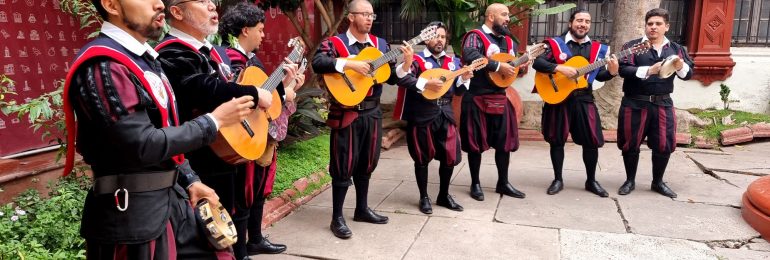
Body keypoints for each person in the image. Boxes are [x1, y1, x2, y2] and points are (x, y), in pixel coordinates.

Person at [62, 0, 256, 257]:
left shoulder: (143, 60)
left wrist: (190, 180)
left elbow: (163, 127)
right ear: (111, 4)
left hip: (170, 201)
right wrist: (214, 121)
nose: (159, 4)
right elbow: (141, 144)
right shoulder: (104, 66)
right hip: (133, 215)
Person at [155, 0, 297, 223]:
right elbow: (201, 87)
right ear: (176, 12)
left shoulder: (213, 53)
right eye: (202, 2)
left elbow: (231, 85)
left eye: (211, 1)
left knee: (227, 222)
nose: (212, 6)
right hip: (196, 160)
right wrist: (253, 93)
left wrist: (280, 85)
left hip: (222, 151)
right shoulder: (171, 51)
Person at [311, 0, 413, 239]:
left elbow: (390, 78)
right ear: (350, 17)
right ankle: (337, 217)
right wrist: (350, 64)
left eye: (371, 15)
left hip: (372, 111)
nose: (369, 18)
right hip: (346, 112)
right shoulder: (335, 43)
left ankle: (362, 209)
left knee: (368, 161)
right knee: (343, 164)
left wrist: (405, 66)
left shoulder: (380, 45)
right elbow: (318, 63)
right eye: (364, 14)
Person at [217, 2, 305, 258]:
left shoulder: (252, 60)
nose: (264, 35)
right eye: (260, 29)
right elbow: (236, 98)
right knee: (242, 197)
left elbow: (266, 95)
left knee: (257, 191)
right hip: (239, 137)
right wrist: (284, 92)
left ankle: (255, 239)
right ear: (245, 30)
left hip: (258, 134)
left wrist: (287, 84)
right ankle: (240, 251)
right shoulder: (227, 59)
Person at [532, 9, 618, 197]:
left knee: (592, 142)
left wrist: (612, 72)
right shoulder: (555, 44)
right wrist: (559, 68)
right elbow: (537, 63)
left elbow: (599, 75)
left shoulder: (598, 50)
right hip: (558, 99)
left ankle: (591, 181)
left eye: (587, 21)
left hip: (583, 99)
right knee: (557, 141)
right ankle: (558, 179)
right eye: (579, 20)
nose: (583, 24)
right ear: (571, 23)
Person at [393, 21, 470, 214]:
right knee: (421, 158)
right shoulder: (417, 60)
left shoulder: (453, 62)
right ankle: (424, 197)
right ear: (427, 38)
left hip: (446, 113)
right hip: (422, 114)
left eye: (443, 37)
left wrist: (465, 78)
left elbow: (458, 90)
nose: (440, 40)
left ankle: (443, 195)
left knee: (450, 156)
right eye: (436, 36)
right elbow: (401, 78)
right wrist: (425, 83)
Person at [616, 8, 694, 198]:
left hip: (663, 103)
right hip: (634, 102)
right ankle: (629, 180)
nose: (653, 27)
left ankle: (657, 182)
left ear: (666, 27)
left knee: (663, 144)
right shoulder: (632, 46)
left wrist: (680, 65)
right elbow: (623, 69)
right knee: (630, 143)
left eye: (658, 24)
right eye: (650, 24)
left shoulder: (677, 49)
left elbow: (689, 74)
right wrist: (649, 70)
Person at [459, 3, 525, 201]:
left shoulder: (509, 41)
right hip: (476, 97)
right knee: (475, 143)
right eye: (504, 15)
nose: (508, 19)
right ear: (490, 17)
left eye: (508, 16)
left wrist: (521, 67)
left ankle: (503, 183)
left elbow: (511, 68)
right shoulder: (475, 36)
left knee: (505, 143)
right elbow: (470, 56)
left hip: (500, 97)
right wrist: (497, 66)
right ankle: (475, 183)